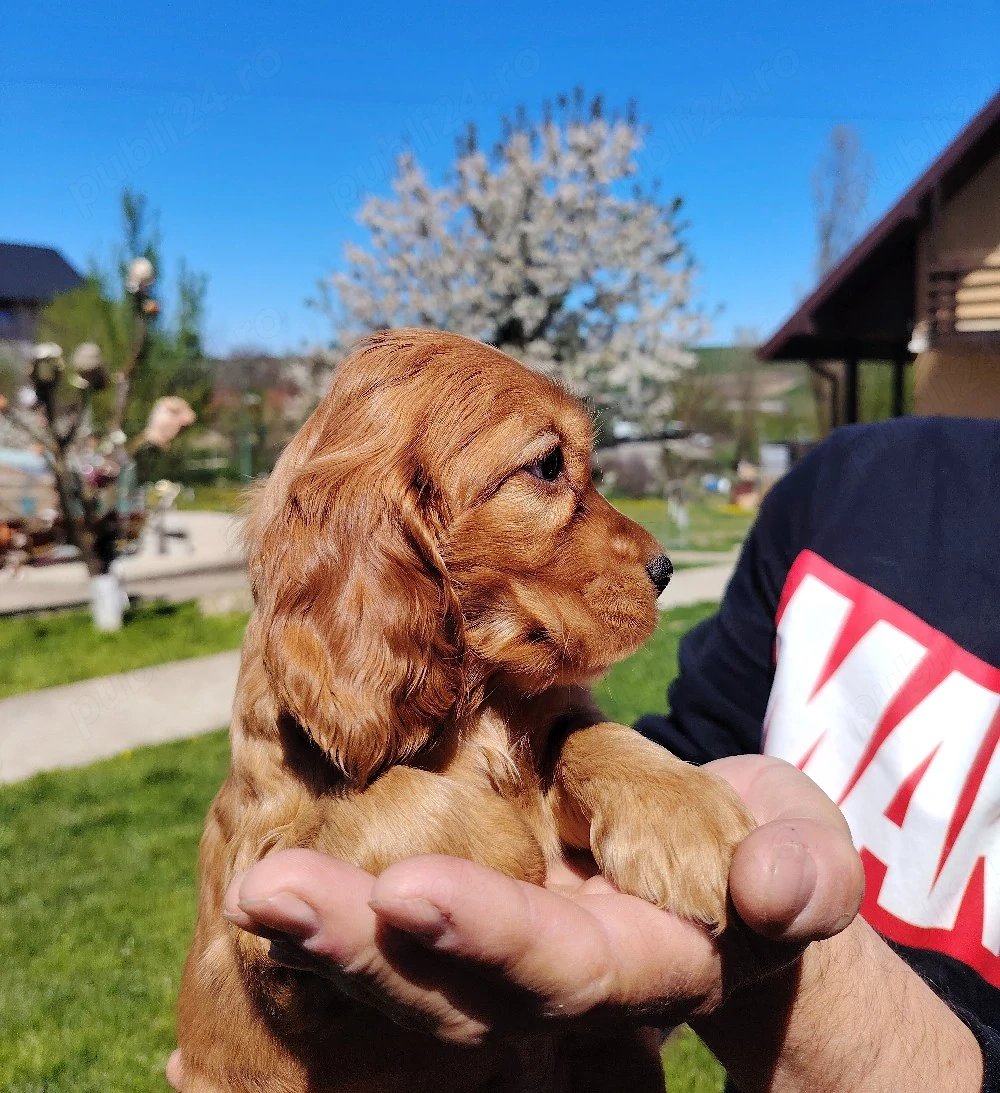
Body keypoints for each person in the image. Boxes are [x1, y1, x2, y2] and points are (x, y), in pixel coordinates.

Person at [168, 416, 999, 1090]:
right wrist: (604, 772)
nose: (643, 553)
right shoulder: (852, 481)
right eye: (547, 468)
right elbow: (703, 732)